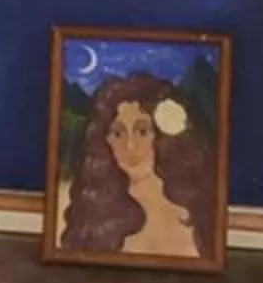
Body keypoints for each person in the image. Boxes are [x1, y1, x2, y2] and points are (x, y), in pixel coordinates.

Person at [61, 71, 216, 260]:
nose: (130, 146)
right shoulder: (95, 212)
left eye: (142, 131)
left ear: (163, 135)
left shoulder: (197, 209)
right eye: (117, 134)